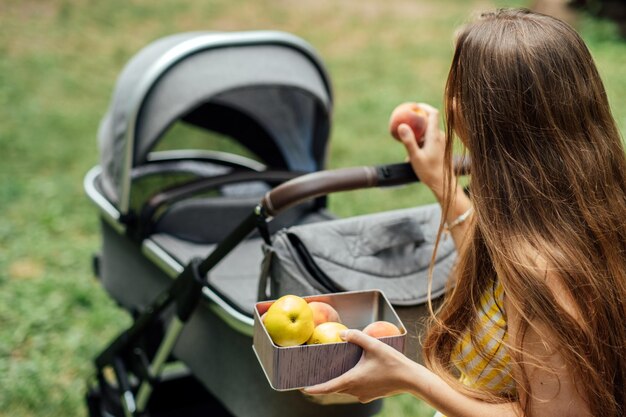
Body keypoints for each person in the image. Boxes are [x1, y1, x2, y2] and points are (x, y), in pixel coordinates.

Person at [303, 8, 626, 417]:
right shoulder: (584, 209)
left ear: (491, 119)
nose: (451, 105)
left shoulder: (543, 272)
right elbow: (500, 264)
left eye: (461, 93)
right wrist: (442, 181)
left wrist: (408, 377)